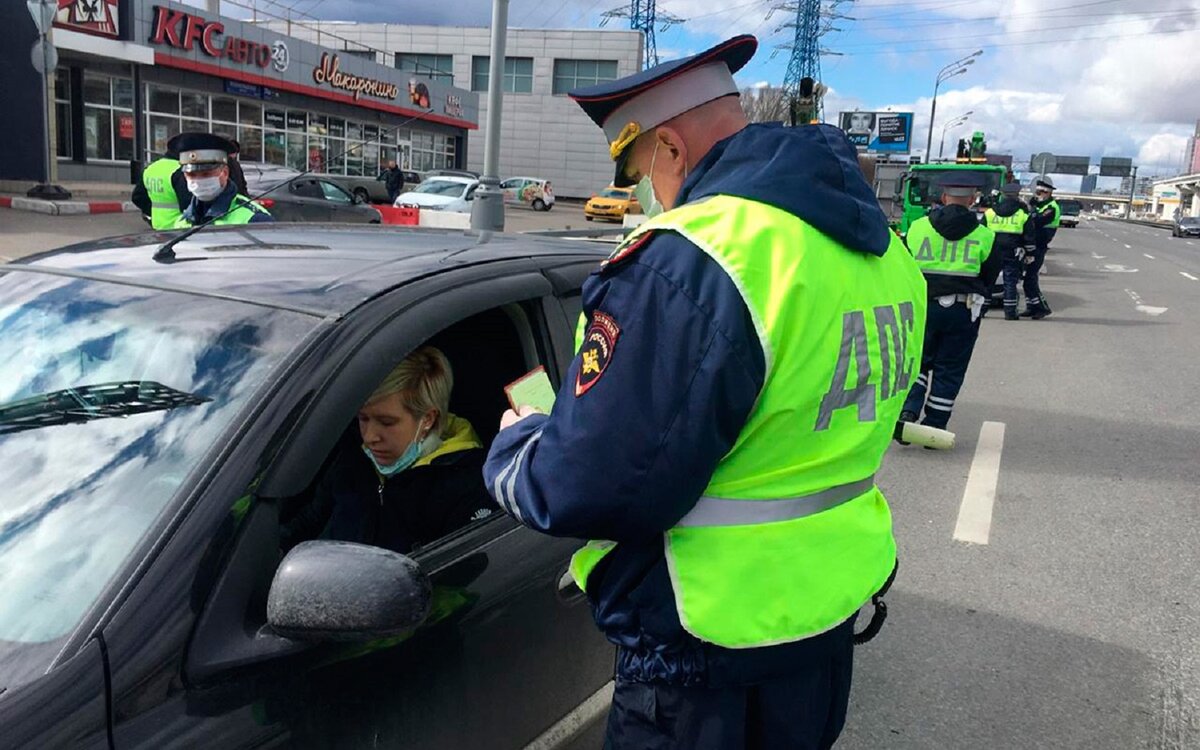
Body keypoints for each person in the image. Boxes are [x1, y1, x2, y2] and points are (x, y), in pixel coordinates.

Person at [481, 34, 927, 749]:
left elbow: (591, 485)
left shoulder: (697, 256)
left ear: (669, 149)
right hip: (823, 621)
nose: (647, 195)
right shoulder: (882, 251)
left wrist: (515, 447)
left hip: (705, 653)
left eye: (638, 172)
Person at [286, 346, 495, 554]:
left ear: (427, 420)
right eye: (363, 418)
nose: (369, 437)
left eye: (386, 422)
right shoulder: (353, 458)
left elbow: (456, 575)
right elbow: (309, 521)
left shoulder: (466, 485)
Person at [900, 173, 999, 432]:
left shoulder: (917, 228)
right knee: (950, 368)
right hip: (962, 310)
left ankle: (908, 409)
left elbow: (903, 267)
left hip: (921, 308)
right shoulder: (985, 236)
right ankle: (934, 426)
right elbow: (989, 277)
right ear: (972, 200)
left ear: (944, 198)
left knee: (916, 360)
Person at [172, 133, 273, 228]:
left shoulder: (255, 219)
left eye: (206, 174)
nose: (198, 181)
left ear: (224, 173)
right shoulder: (182, 222)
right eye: (191, 175)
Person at [984, 182, 1034, 320]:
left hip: (992, 251)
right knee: (1010, 282)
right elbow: (1029, 236)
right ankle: (1010, 313)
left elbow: (980, 232)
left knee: (988, 281)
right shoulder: (1022, 215)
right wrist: (1030, 254)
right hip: (1012, 252)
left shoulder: (990, 213)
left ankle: (982, 310)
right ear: (1017, 196)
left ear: (1003, 195)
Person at [131, 141, 191, 230]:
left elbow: (137, 197)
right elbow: (188, 202)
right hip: (179, 226)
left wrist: (152, 212)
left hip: (157, 225)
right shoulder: (180, 170)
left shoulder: (151, 168)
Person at [1023, 177, 1060, 319]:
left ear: (1047, 193)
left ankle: (1042, 308)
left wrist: (1032, 210)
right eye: (1036, 192)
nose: (1037, 195)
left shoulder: (1051, 207)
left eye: (1040, 193)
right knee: (1027, 279)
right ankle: (1031, 307)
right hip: (1033, 245)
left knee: (1030, 279)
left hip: (1039, 245)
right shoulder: (1041, 206)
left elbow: (1037, 221)